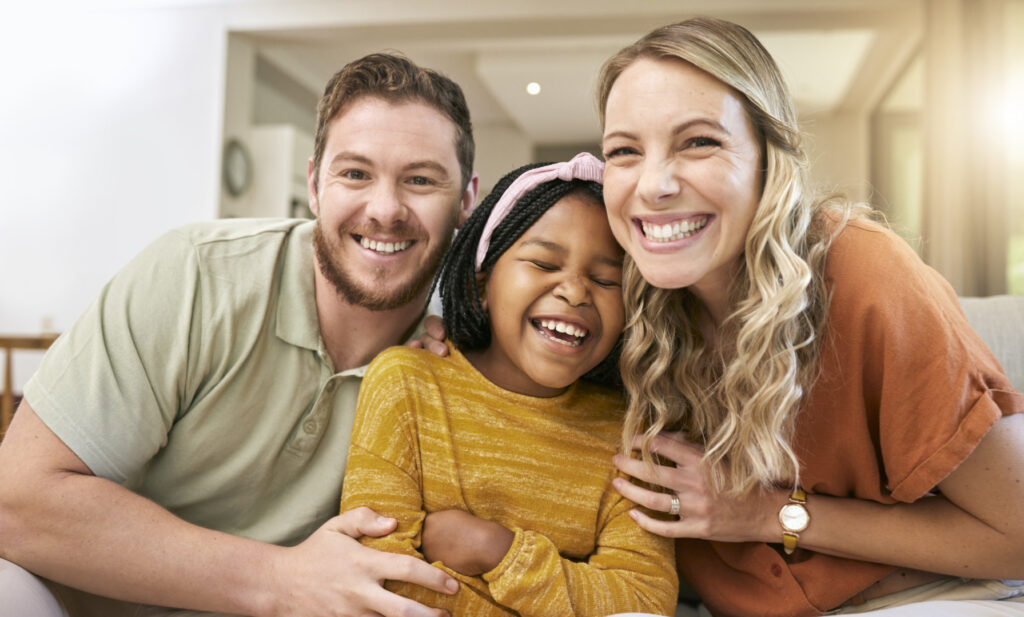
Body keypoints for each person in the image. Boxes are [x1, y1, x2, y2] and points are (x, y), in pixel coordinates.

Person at [0, 53, 479, 617]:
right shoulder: (196, 275)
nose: (385, 209)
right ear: (314, 184)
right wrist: (280, 580)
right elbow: (16, 502)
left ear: (465, 202)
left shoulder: (468, 348)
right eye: (355, 173)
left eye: (420, 180)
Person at [594, 17, 1024, 617]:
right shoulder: (613, 295)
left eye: (698, 142)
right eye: (624, 151)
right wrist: (451, 339)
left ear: (770, 162)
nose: (654, 184)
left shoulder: (862, 270)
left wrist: (765, 514)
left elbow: (1019, 534)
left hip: (932, 598)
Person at [339, 153, 679, 616]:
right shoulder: (406, 384)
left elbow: (642, 602)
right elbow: (380, 581)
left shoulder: (631, 432)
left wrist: (496, 551)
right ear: (483, 283)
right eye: (543, 263)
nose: (576, 291)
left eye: (606, 279)